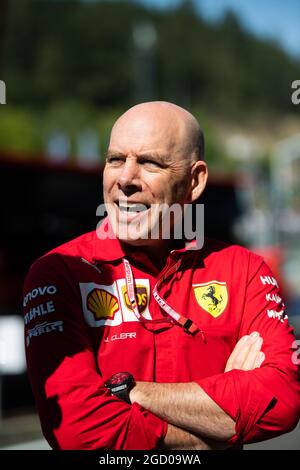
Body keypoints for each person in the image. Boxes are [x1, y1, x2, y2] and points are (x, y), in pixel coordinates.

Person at [23, 101, 300, 450]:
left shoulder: (243, 271)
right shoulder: (59, 272)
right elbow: (80, 432)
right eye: (115, 159)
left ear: (194, 181)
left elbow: (283, 401)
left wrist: (132, 391)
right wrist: (213, 433)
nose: (125, 179)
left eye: (150, 162)